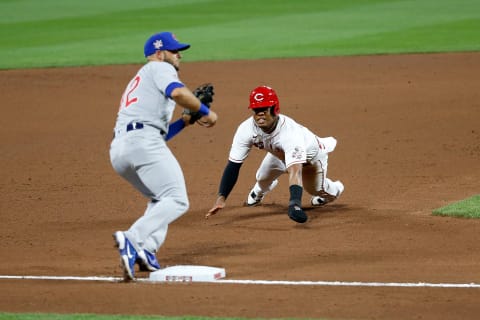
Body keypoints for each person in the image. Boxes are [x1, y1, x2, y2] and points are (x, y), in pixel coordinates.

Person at [110, 31, 218, 281]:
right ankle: (132, 239)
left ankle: (146, 251)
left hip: (121, 150)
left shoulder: (140, 80)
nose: (179, 55)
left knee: (159, 198)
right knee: (178, 200)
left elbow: (157, 135)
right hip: (142, 143)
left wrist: (185, 121)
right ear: (159, 54)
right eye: (174, 50)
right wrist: (205, 112)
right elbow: (179, 94)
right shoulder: (159, 68)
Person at [206, 85, 343, 223]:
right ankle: (258, 192)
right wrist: (221, 198)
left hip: (310, 161)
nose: (259, 114)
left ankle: (336, 189)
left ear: (274, 109)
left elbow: (295, 172)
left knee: (317, 190)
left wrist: (294, 204)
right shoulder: (246, 129)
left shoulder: (290, 134)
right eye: (256, 110)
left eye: (264, 109)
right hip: (279, 154)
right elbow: (234, 165)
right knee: (262, 176)